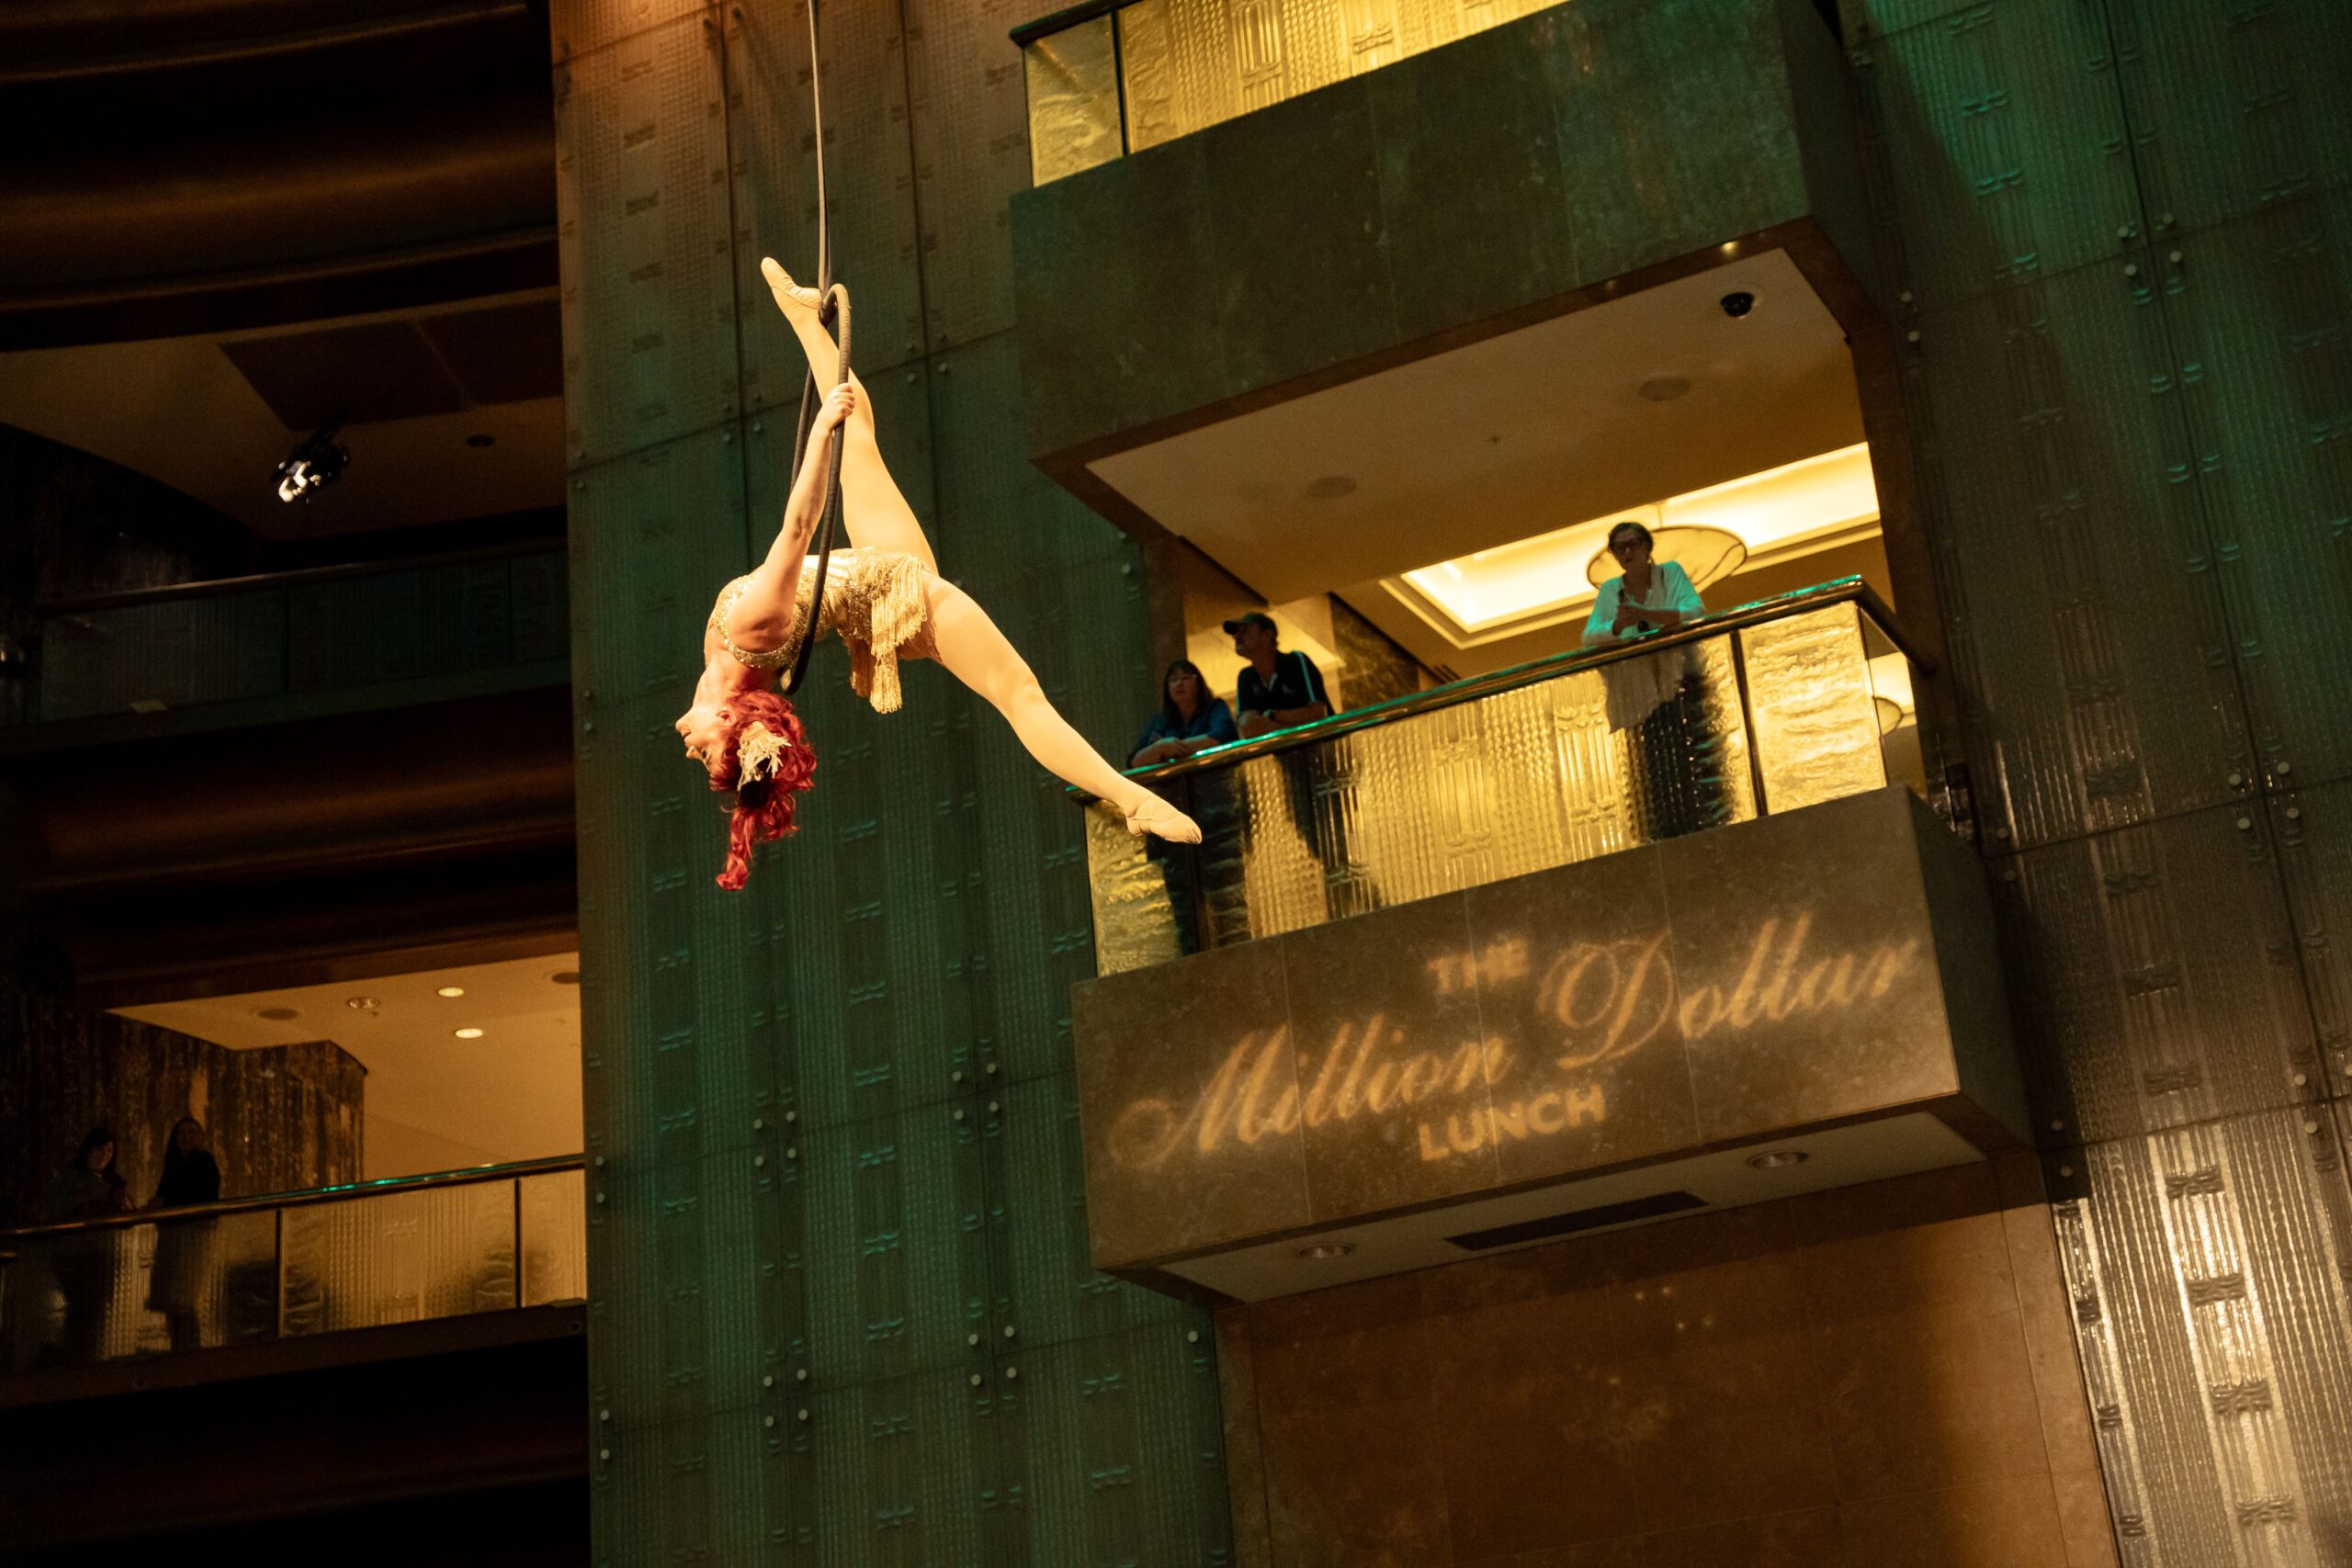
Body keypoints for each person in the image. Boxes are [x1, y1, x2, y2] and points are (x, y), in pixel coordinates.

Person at [674, 258, 1200, 888]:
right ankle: (1132, 798)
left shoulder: (733, 669)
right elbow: (797, 529)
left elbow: (803, 535)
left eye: (704, 755)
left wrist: (830, 428)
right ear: (734, 720)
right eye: (705, 751)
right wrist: (816, 433)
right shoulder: (750, 634)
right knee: (1017, 692)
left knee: (858, 436)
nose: (690, 747)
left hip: (874, 571)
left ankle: (803, 320)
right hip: (901, 601)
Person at [1580, 521, 1718, 840]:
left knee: (1690, 755)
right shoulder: (1610, 591)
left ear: (1646, 546)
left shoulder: (1669, 573)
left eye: (1633, 544)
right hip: (1640, 691)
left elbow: (1695, 610)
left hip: (1682, 680)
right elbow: (1589, 637)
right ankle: (1659, 829)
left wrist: (1648, 615)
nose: (1628, 552)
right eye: (1620, 547)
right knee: (1654, 765)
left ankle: (1699, 822)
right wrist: (1616, 627)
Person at [45, 1126, 127, 1364]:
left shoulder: (113, 1183)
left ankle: (86, 1358)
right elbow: (60, 1208)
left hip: (103, 1256)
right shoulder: (69, 1177)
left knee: (95, 1312)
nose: (105, 1154)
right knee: (80, 1310)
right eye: (100, 1148)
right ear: (88, 1149)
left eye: (110, 1150)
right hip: (75, 1255)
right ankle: (76, 1360)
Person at [147, 1117, 222, 1353]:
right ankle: (178, 1347)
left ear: (200, 1137)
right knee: (173, 1298)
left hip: (192, 1236)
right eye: (182, 1133)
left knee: (185, 1296)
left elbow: (205, 1196)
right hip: (172, 1236)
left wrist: (165, 1202)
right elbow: (164, 1192)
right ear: (175, 1138)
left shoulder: (205, 1161)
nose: (187, 1137)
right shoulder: (172, 1163)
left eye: (192, 1132)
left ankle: (188, 1350)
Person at [1226, 612, 1332, 739]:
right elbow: (1248, 729)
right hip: (1287, 756)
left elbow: (1317, 714)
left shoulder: (1296, 661)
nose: (1237, 636)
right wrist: (1294, 729)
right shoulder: (1246, 677)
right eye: (1236, 632)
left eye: (1245, 630)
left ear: (1267, 636)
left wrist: (1271, 716)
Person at [1130, 660, 1237, 766]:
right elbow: (1133, 761)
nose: (1179, 684)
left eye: (1185, 678)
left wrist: (1173, 748)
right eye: (1173, 680)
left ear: (1197, 683)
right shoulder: (1161, 721)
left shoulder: (1214, 707)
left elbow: (1223, 735)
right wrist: (1159, 748)